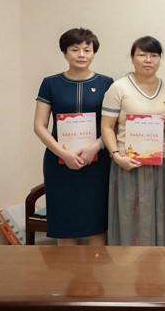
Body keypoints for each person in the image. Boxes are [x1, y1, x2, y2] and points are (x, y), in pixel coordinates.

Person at [101, 36, 165, 246]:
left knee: (164, 215)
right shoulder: (118, 88)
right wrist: (117, 156)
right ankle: (129, 263)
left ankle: (163, 262)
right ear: (132, 58)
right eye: (142, 55)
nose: (148, 60)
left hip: (162, 163)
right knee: (131, 218)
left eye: (154, 55)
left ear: (160, 59)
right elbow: (107, 127)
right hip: (129, 164)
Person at [33, 28, 113, 245]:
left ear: (94, 53)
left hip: (97, 162)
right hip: (59, 162)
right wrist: (63, 153)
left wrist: (96, 147)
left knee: (96, 225)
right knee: (65, 227)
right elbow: (39, 126)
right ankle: (68, 269)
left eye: (87, 50)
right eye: (75, 49)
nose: (81, 55)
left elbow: (112, 126)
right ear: (65, 53)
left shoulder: (107, 83)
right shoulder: (50, 83)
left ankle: (97, 268)